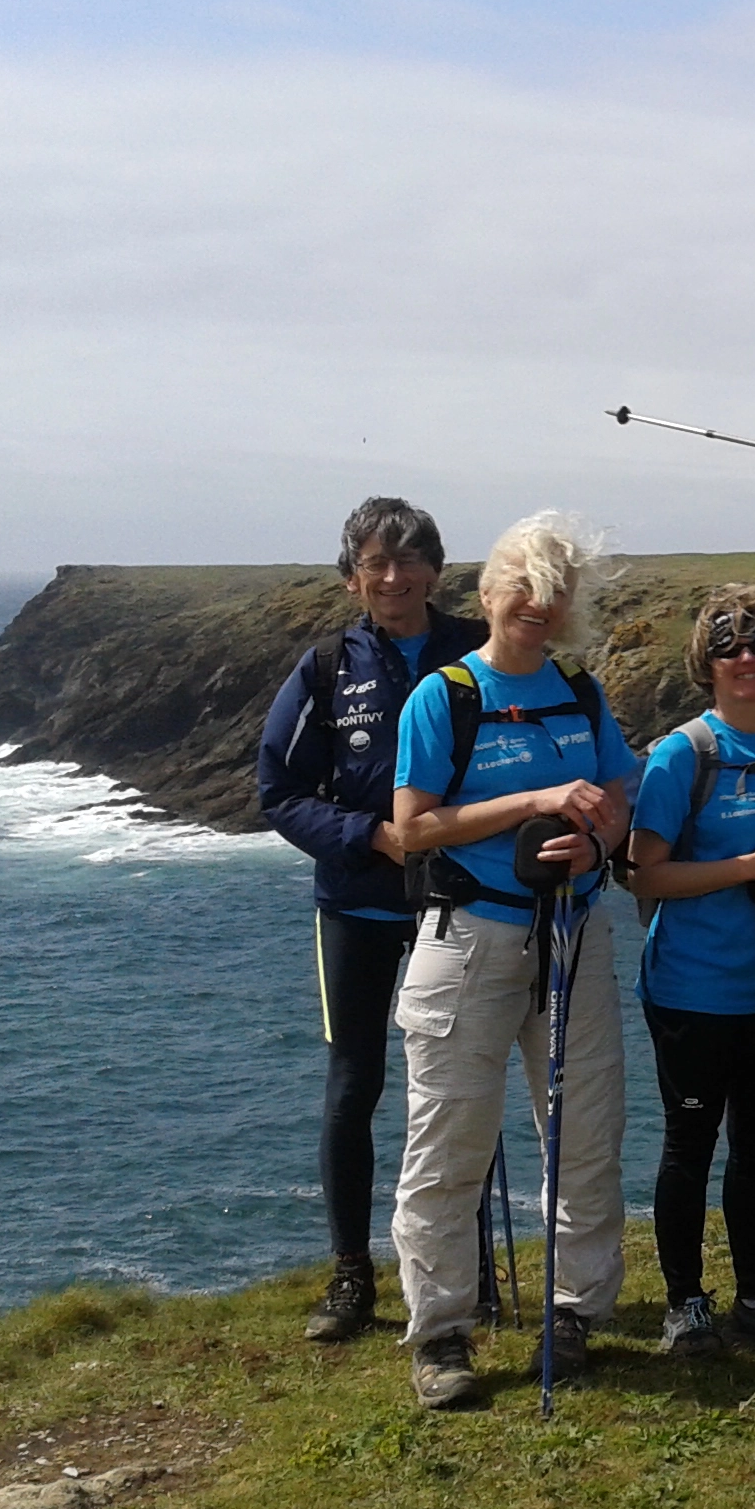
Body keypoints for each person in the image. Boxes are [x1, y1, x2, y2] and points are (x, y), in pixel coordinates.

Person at [388, 512, 638, 1409]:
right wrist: (532, 798)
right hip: (470, 937)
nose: (536, 609)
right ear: (489, 593)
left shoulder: (580, 689)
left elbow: (615, 792)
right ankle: (442, 1333)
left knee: (583, 1132)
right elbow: (413, 827)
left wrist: (597, 840)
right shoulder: (445, 696)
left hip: (574, 932)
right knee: (449, 1140)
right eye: (522, 592)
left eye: (553, 597)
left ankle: (572, 1309)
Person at [257, 497, 485, 1344]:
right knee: (355, 1088)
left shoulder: (475, 653)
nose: (393, 579)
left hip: (464, 902)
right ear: (352, 577)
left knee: (463, 1084)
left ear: (435, 568)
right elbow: (277, 791)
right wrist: (371, 838)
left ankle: (470, 1272)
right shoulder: (324, 667)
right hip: (355, 904)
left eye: (409, 561)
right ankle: (353, 1274)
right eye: (375, 565)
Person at [628, 587, 755, 1360]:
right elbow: (645, 874)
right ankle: (685, 1302)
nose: (745, 660)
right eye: (728, 649)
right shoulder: (685, 753)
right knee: (690, 1144)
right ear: (706, 665)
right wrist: (749, 865)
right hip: (691, 988)